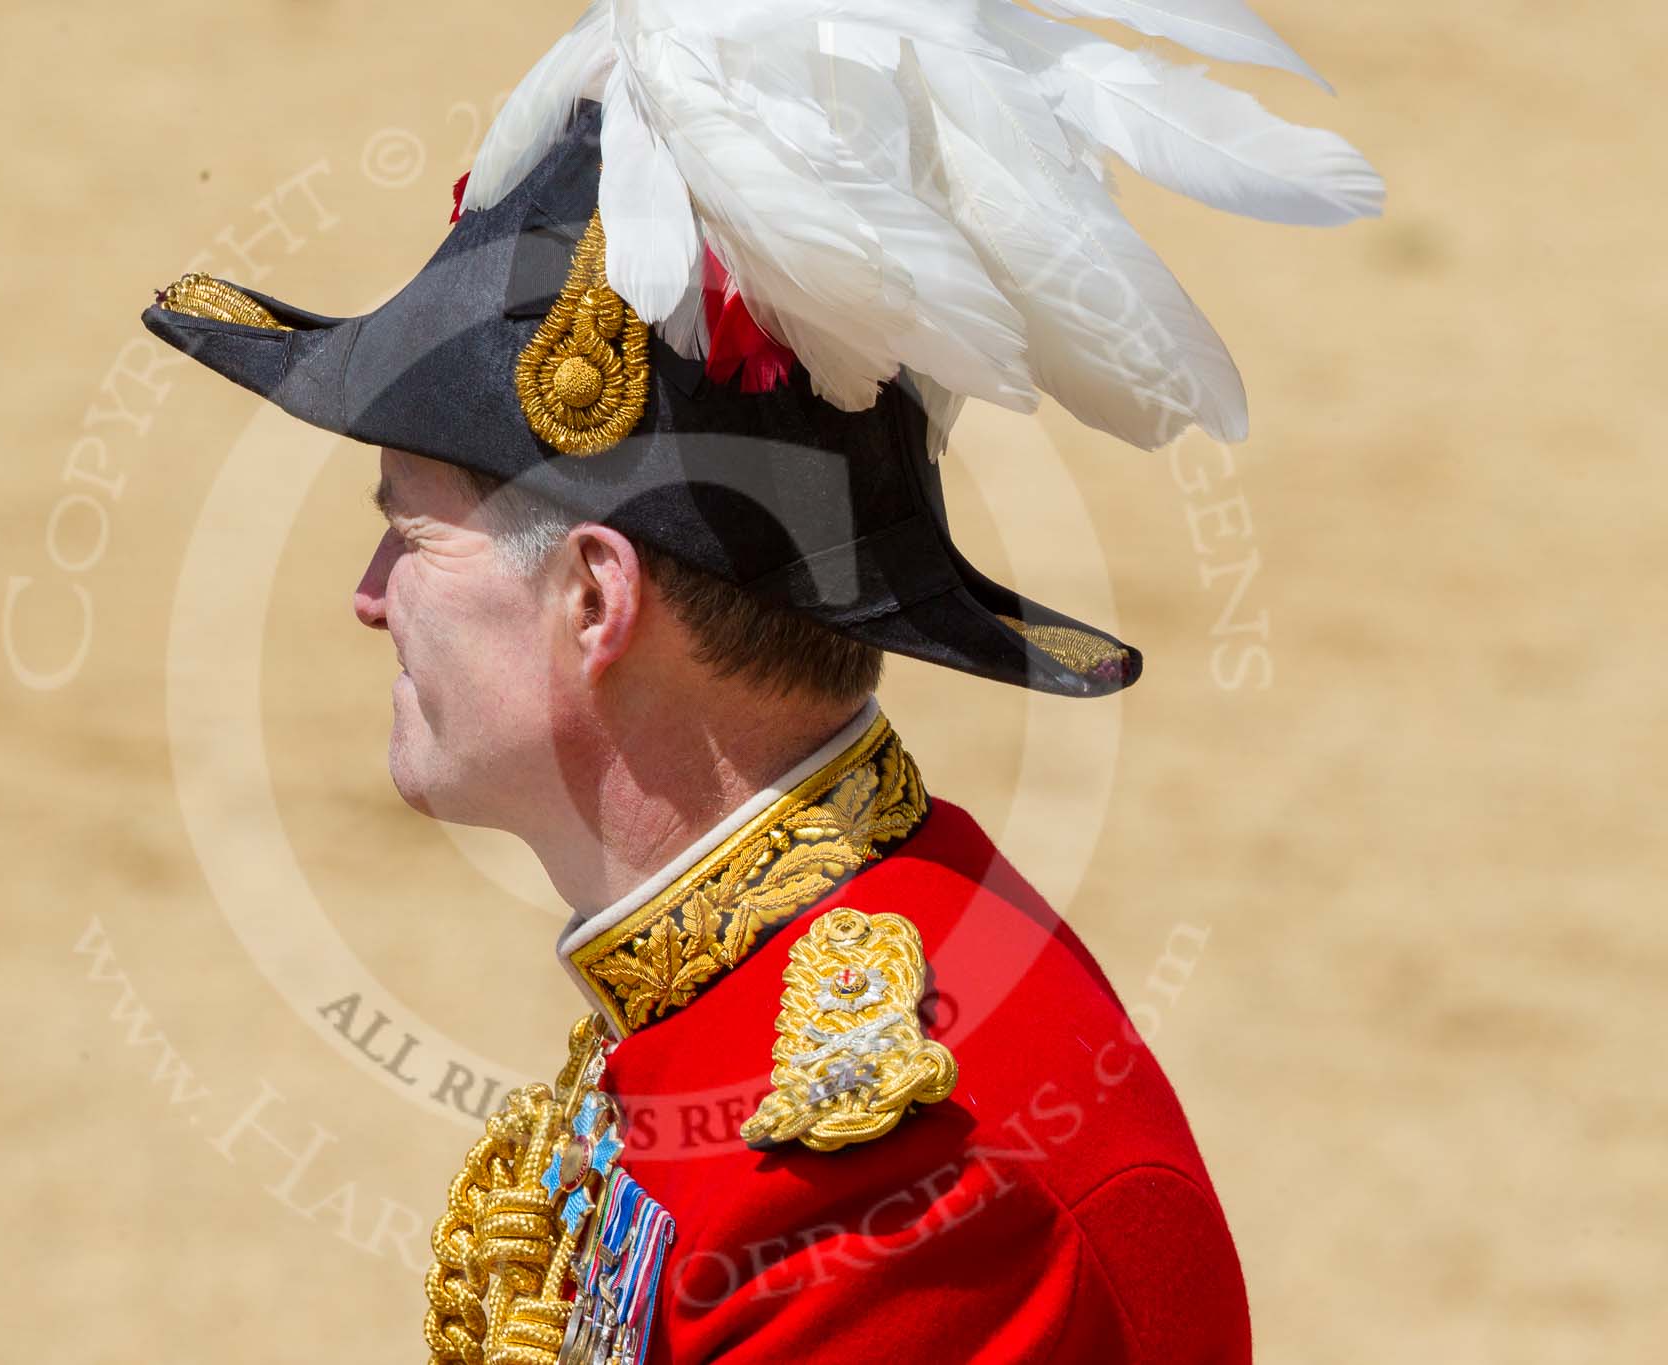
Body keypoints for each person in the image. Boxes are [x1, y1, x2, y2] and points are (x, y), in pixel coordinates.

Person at [142, 4, 1379, 1360]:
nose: (370, 594)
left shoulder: (896, 1193)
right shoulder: (766, 996)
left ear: (597, 600)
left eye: (413, 534)